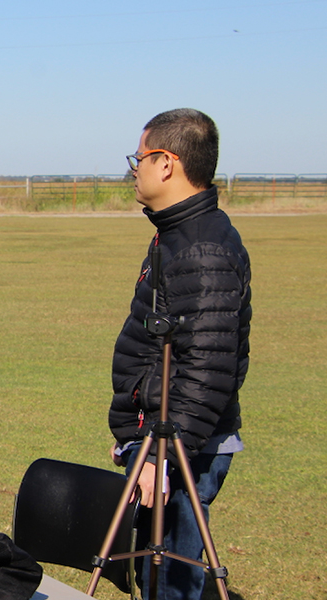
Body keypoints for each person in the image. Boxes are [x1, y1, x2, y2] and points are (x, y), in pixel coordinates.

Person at [109, 108, 251, 600]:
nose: (134, 169)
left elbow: (207, 368)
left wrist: (165, 457)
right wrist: (135, 431)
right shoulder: (177, 234)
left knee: (170, 582)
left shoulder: (201, 248)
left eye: (140, 157)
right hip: (160, 438)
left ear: (166, 163)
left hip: (183, 449)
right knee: (155, 576)